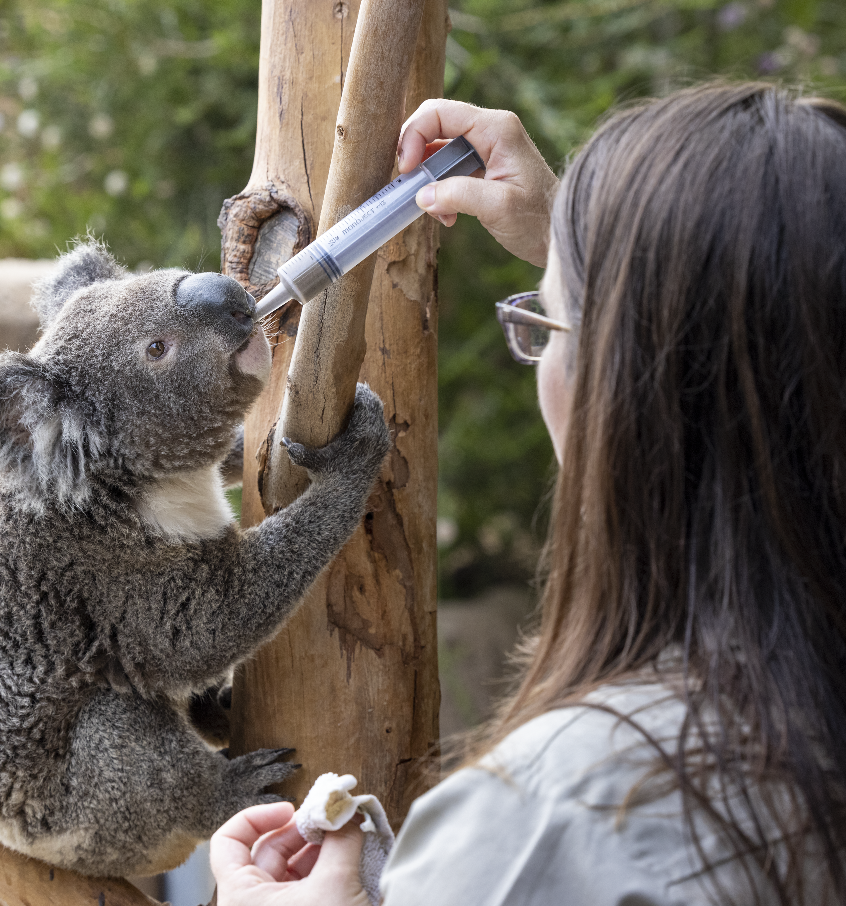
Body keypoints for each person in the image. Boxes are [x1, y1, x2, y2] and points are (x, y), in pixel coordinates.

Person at [210, 83, 846, 905]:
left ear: (621, 382)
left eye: (545, 324)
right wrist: (583, 250)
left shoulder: (549, 823)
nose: (541, 352)